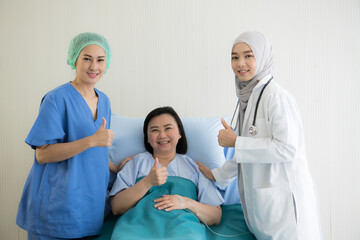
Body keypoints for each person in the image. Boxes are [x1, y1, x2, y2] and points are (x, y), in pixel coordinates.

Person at [197, 31, 322, 240]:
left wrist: (236, 141)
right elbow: (248, 153)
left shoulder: (276, 97)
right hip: (264, 208)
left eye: (248, 55)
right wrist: (218, 175)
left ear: (262, 57)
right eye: (235, 57)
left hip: (285, 209)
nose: (240, 63)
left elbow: (287, 148)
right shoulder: (247, 97)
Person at [16, 32, 115, 240]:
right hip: (58, 206)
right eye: (86, 58)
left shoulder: (104, 101)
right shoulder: (56, 99)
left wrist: (116, 167)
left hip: (91, 206)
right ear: (74, 60)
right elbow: (43, 155)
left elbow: (95, 152)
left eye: (100, 60)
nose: (94, 66)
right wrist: (91, 141)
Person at [109, 106, 224, 239]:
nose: (162, 135)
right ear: (147, 138)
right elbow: (116, 207)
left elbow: (216, 216)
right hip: (136, 227)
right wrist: (147, 182)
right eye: (154, 130)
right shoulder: (135, 163)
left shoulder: (193, 167)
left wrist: (186, 202)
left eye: (168, 128)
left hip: (183, 229)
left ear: (180, 133)